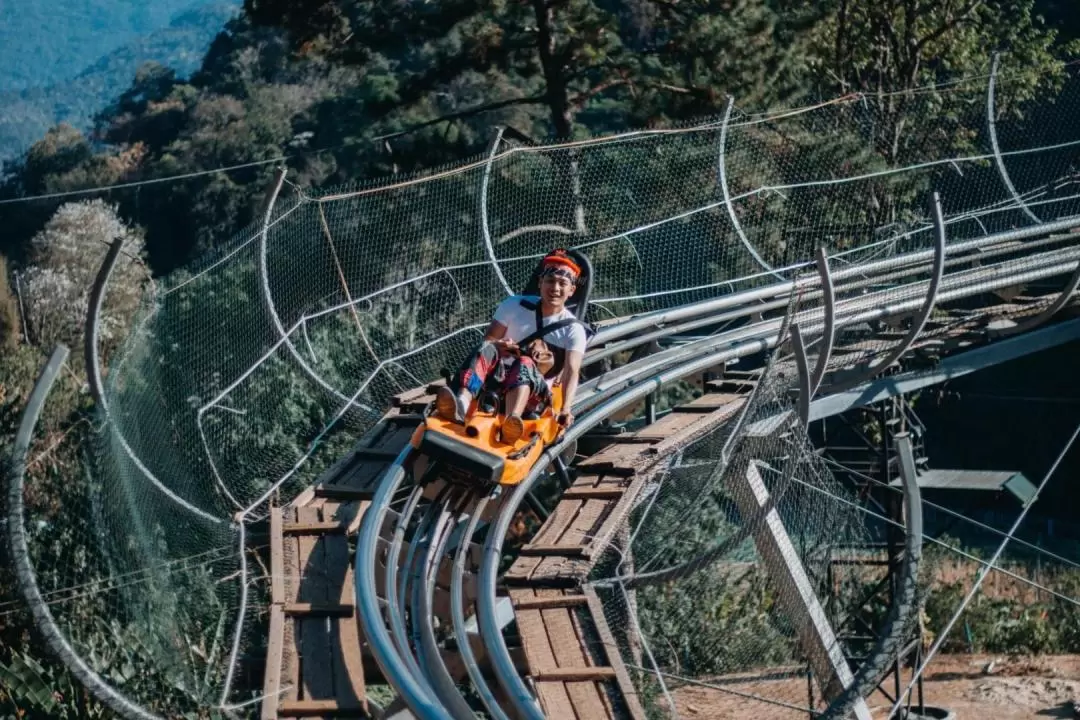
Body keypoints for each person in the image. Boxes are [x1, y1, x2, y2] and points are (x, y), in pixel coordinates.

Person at [435, 249, 588, 444]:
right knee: (486, 348)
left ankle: (511, 422)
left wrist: (566, 408)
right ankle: (461, 404)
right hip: (495, 380)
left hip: (533, 396)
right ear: (540, 283)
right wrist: (498, 346)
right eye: (550, 281)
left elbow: (571, 372)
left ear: (571, 290)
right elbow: (489, 339)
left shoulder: (573, 329)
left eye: (562, 284)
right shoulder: (514, 305)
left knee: (524, 362)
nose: (555, 288)